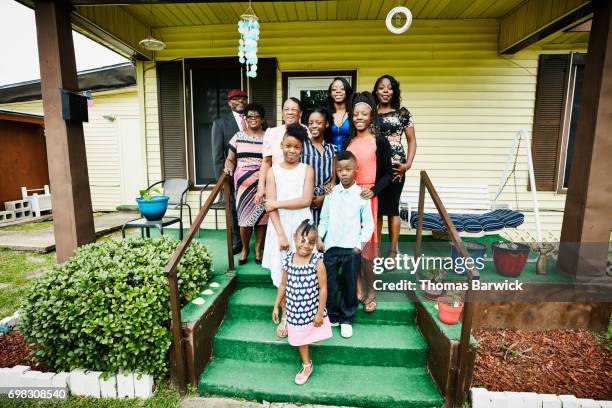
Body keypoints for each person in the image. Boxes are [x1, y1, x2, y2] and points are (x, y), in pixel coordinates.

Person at [262, 123, 314, 337]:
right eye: (288, 146)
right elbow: (269, 205)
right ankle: (285, 316)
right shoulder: (272, 171)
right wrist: (281, 234)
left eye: (297, 147)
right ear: (281, 145)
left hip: (301, 226)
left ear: (302, 149)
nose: (292, 151)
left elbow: (305, 200)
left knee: (302, 271)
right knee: (282, 273)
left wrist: (277, 204)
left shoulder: (307, 170)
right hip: (279, 227)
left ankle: (304, 315)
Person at [317, 150, 374, 338]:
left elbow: (369, 224)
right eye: (340, 170)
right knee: (330, 284)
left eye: (348, 169)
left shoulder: (362, 195)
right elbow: (324, 219)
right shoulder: (331, 193)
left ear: (355, 169)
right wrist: (319, 238)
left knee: (350, 284)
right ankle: (332, 315)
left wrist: (359, 246)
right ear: (336, 170)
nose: (344, 173)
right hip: (331, 246)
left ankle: (347, 318)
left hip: (352, 248)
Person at [345, 92, 393, 313]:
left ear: (371, 115)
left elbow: (387, 175)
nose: (359, 117)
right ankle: (356, 286)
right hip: (350, 197)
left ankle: (371, 290)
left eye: (364, 113)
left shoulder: (379, 142)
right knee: (352, 244)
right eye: (355, 114)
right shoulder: (349, 141)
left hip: (368, 198)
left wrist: (373, 191)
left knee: (368, 248)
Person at [272, 220, 332, 385]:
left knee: (312, 329)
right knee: (300, 339)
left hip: (312, 309)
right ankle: (307, 365)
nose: (306, 245)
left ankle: (312, 335)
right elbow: (283, 285)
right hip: (294, 311)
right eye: (302, 240)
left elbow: (323, 288)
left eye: (311, 242)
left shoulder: (317, 262)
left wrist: (320, 313)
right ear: (294, 238)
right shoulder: (288, 260)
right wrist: (276, 305)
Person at [373, 75, 417, 265]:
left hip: (396, 167)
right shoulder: (370, 113)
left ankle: (392, 252)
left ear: (394, 91)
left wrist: (407, 165)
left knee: (392, 208)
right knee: (377, 210)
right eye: (381, 87)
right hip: (375, 166)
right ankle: (375, 251)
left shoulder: (403, 114)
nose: (385, 91)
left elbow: (412, 141)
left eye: (389, 88)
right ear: (376, 91)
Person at [223, 103, 268, 265]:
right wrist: (228, 166)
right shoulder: (238, 136)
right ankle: (245, 248)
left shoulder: (268, 137)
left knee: (262, 219)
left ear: (262, 118)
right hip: (242, 186)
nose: (253, 119)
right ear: (245, 119)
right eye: (250, 116)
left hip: (262, 184)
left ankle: (257, 249)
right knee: (244, 219)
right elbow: (230, 158)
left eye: (256, 116)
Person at [212, 88, 248, 255]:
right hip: (232, 175)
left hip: (255, 173)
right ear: (229, 103)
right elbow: (218, 156)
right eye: (236, 99)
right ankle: (237, 241)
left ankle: (257, 243)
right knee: (233, 208)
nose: (241, 101)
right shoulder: (220, 123)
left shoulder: (256, 120)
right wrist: (223, 178)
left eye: (243, 98)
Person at [256, 97, 306, 206]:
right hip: (276, 185)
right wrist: (261, 187)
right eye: (286, 109)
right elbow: (266, 162)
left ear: (300, 113)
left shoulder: (308, 132)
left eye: (294, 109)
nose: (290, 113)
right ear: (282, 113)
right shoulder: (271, 133)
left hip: (300, 186)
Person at [301, 107, 336, 226]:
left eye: (318, 122)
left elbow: (333, 179)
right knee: (307, 233)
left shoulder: (332, 149)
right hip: (305, 197)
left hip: (327, 199)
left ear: (326, 124)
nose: (314, 126)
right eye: (311, 123)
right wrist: (309, 196)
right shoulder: (302, 147)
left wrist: (324, 198)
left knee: (324, 232)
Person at [328, 77, 353, 152]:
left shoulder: (353, 113)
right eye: (334, 89)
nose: (338, 91)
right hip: (330, 158)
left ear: (347, 91)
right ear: (330, 93)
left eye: (342, 89)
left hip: (350, 158)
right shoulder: (326, 114)